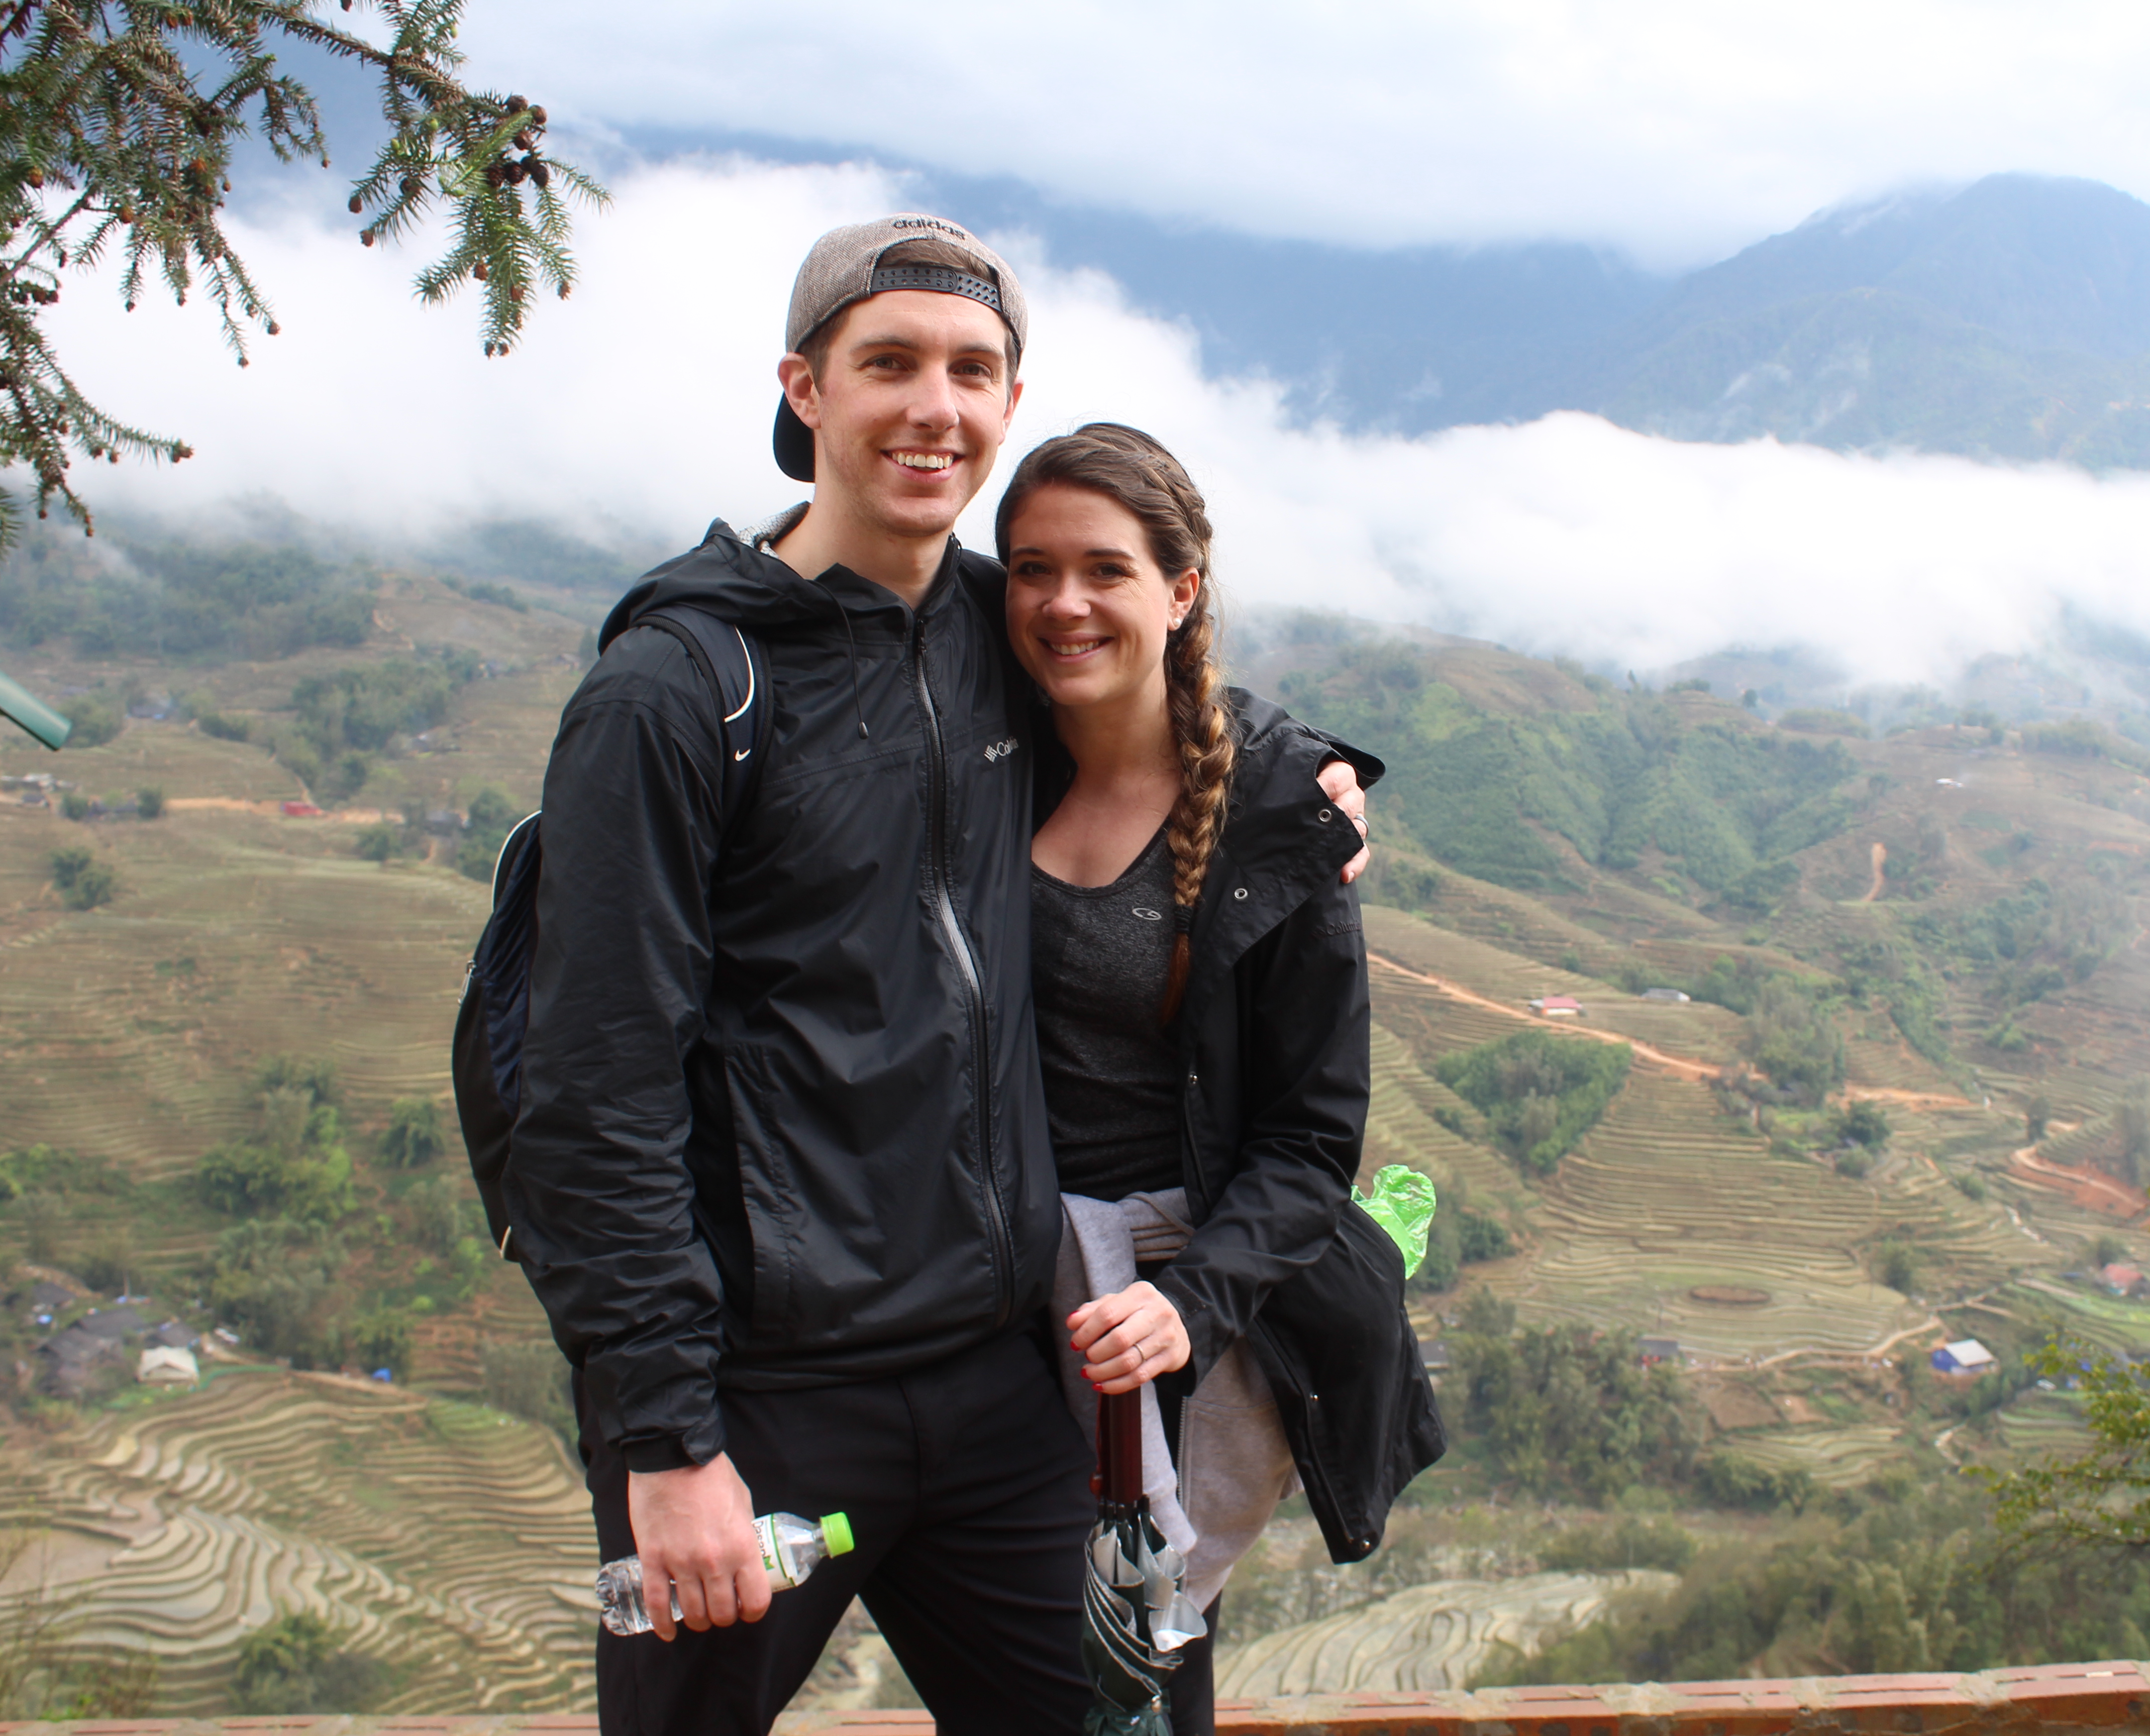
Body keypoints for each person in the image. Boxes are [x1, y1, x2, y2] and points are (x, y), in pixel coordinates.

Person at [503, 218, 1369, 1736]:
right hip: (761, 1399)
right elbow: (594, 1091)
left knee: (1127, 1724)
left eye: (972, 371)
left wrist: (1314, 787)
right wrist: (665, 1442)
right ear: (806, 388)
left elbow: (1153, 678)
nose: (935, 406)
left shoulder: (991, 629)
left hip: (999, 1375)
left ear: (1008, 403)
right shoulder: (681, 691)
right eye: (889, 362)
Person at [999, 424, 1445, 1735]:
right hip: (1002, 1288)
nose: (1065, 603)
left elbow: (1309, 1141)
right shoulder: (985, 757)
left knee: (1138, 1653)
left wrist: (1188, 1306)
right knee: (1022, 1644)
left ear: (1182, 589)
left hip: (1178, 1299)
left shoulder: (1271, 821)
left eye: (1107, 569)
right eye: (1032, 569)